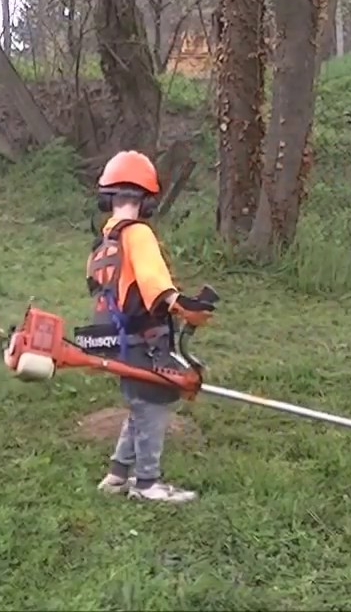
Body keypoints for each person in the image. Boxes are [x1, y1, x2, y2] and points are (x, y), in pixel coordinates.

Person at [78, 150, 217, 503]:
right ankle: (147, 483)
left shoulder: (102, 242)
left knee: (141, 401)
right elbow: (153, 281)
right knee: (153, 404)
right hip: (143, 336)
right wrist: (181, 305)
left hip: (112, 335)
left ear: (107, 198)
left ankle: (116, 476)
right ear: (147, 200)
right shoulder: (138, 233)